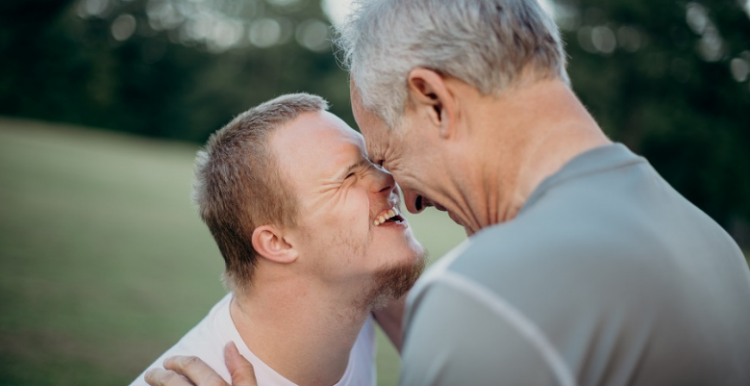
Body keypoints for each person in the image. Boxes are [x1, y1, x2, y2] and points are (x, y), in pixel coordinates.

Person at [148, 0, 750, 385]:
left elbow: (512, 326)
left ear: (434, 100)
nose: (405, 198)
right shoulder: (712, 245)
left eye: (385, 156)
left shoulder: (489, 299)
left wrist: (467, 313)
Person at [134, 93, 425, 386]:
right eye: (349, 176)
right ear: (278, 242)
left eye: (373, 161)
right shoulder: (186, 379)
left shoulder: (361, 288)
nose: (387, 178)